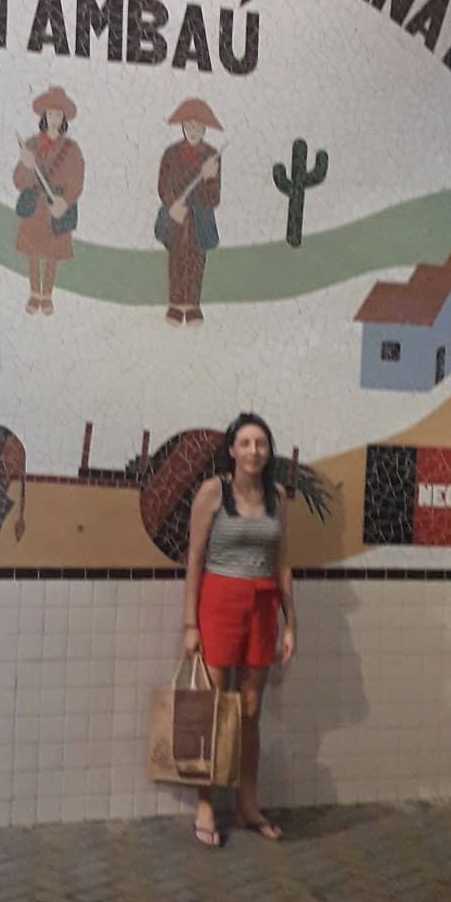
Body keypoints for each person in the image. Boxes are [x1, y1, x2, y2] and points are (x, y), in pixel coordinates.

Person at [182, 412, 296, 846]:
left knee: (250, 710)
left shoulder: (278, 497)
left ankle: (248, 806)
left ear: (269, 452)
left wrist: (291, 624)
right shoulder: (214, 492)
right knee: (212, 707)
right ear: (232, 450)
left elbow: (284, 562)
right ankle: (206, 804)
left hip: (263, 606)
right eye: (246, 443)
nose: (254, 451)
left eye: (261, 444)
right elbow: (193, 558)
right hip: (218, 603)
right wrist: (190, 623)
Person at [13, 86, 84, 316]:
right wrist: (26, 165)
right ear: (44, 116)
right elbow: (18, 180)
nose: (54, 119)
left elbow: (77, 180)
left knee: (52, 255)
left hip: (57, 207)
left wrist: (65, 201)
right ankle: (34, 293)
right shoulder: (31, 145)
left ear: (64, 119)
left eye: (59, 115)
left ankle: (47, 295)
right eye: (51, 114)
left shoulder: (72, 149)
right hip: (36, 208)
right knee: (33, 253)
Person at [156, 98, 223, 326]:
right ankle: (175, 304)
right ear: (182, 127)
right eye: (189, 126)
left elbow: (214, 198)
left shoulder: (212, 156)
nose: (193, 131)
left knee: (196, 260)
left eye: (198, 127)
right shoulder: (171, 154)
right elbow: (164, 186)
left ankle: (193, 305)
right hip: (176, 218)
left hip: (199, 220)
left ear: (205, 129)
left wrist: (208, 178)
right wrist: (172, 204)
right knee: (176, 259)